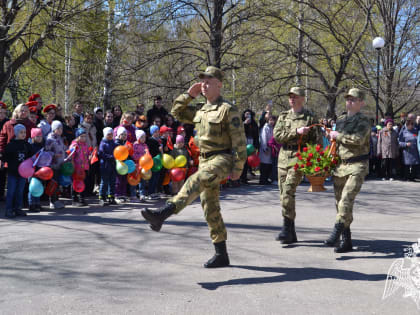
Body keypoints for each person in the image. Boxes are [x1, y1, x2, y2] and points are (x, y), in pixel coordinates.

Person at [141, 66, 247, 268]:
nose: (205, 85)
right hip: (205, 159)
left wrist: (238, 167)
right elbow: (176, 112)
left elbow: (239, 140)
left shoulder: (228, 109)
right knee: (210, 205)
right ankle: (221, 253)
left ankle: (163, 213)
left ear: (219, 84)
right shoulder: (201, 109)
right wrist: (189, 94)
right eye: (203, 81)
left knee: (195, 180)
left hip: (222, 158)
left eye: (209, 81)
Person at [324, 88, 370, 253]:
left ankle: (336, 230)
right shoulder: (341, 119)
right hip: (340, 166)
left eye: (353, 99)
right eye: (348, 99)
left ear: (361, 103)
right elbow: (336, 142)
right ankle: (346, 240)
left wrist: (338, 136)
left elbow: (358, 139)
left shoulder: (364, 120)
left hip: (357, 166)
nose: (349, 101)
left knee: (346, 199)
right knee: (340, 205)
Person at [273, 87, 321, 244]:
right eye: (290, 96)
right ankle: (290, 232)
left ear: (302, 99)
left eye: (295, 96)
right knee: (284, 195)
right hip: (283, 158)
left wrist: (313, 161)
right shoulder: (283, 116)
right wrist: (296, 132)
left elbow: (316, 141)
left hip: (299, 158)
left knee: (288, 190)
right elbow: (277, 136)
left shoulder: (310, 117)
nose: (292, 99)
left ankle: (286, 229)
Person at [3, 124, 32, 218]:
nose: (23, 134)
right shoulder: (11, 145)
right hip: (13, 172)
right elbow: (5, 156)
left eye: (24, 132)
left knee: (20, 191)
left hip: (22, 174)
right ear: (16, 133)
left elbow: (30, 157)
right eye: (21, 132)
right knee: (11, 191)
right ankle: (9, 209)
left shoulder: (26, 145)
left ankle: (18, 208)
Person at [44, 120, 66, 209]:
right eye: (58, 128)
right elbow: (46, 151)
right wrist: (54, 155)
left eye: (61, 128)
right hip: (53, 165)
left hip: (60, 164)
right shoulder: (50, 139)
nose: (60, 130)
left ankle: (56, 199)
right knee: (53, 183)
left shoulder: (59, 138)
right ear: (54, 129)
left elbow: (63, 149)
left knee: (57, 183)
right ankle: (52, 201)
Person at [70, 128, 90, 207]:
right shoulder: (74, 145)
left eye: (85, 136)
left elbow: (87, 154)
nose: (83, 138)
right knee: (75, 183)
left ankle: (81, 198)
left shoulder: (85, 145)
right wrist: (73, 166)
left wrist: (91, 155)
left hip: (83, 168)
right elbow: (71, 156)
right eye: (81, 136)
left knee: (82, 183)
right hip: (76, 168)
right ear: (77, 136)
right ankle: (74, 199)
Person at [98, 127, 117, 206]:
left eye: (111, 134)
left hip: (113, 165)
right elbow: (101, 154)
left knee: (112, 182)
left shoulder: (113, 143)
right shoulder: (103, 143)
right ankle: (102, 197)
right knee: (104, 182)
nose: (110, 136)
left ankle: (111, 196)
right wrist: (111, 157)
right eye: (108, 134)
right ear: (105, 135)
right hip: (105, 165)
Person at [240, 109, 259, 184]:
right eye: (246, 114)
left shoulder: (254, 123)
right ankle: (241, 178)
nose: (247, 115)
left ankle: (245, 177)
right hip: (243, 143)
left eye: (249, 114)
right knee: (243, 161)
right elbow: (238, 131)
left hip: (251, 143)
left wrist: (256, 145)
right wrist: (244, 124)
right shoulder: (241, 123)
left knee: (248, 161)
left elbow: (256, 135)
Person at [27, 128, 44, 213]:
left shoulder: (41, 146)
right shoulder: (30, 146)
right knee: (32, 187)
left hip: (40, 170)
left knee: (39, 187)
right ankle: (31, 204)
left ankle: (37, 203)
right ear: (33, 137)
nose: (39, 138)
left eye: (40, 136)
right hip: (32, 170)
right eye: (37, 136)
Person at [145, 125, 163, 199]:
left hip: (158, 161)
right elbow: (151, 151)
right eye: (155, 132)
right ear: (152, 133)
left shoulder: (159, 140)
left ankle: (154, 192)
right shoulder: (150, 140)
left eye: (158, 132)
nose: (157, 133)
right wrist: (158, 149)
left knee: (156, 177)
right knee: (152, 177)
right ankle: (150, 192)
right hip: (153, 160)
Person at [259, 114, 276, 185]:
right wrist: (265, 148)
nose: (272, 122)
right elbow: (263, 138)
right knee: (264, 165)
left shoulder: (272, 128)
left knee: (268, 165)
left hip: (270, 148)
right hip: (265, 149)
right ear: (268, 120)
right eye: (271, 120)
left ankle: (265, 179)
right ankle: (262, 180)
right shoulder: (265, 128)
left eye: (273, 121)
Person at [133, 130, 148, 201]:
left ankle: (142, 194)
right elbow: (134, 155)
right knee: (136, 180)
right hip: (137, 165)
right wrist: (142, 156)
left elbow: (148, 154)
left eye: (144, 137)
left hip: (144, 166)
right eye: (142, 137)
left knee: (143, 181)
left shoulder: (145, 145)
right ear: (138, 138)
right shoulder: (135, 145)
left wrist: (147, 156)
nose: (144, 139)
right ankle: (135, 194)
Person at [114, 127, 129, 203]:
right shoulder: (117, 143)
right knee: (118, 180)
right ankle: (117, 195)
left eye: (125, 134)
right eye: (122, 134)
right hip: (118, 164)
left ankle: (123, 194)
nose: (124, 136)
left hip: (124, 164)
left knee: (124, 180)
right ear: (119, 135)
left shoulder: (125, 143)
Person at [0, 101, 9, 201]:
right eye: (0, 112)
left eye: (3, 112)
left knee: (3, 173)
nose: (2, 114)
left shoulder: (7, 122)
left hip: (4, 151)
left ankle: (1, 193)